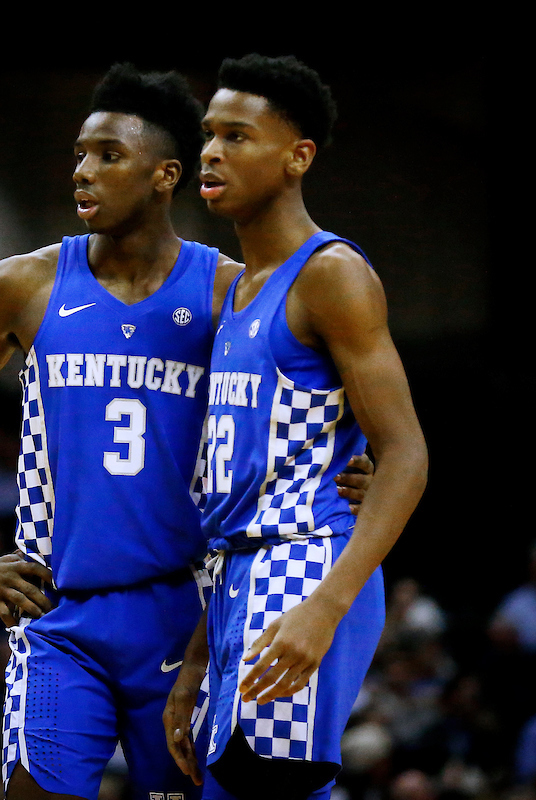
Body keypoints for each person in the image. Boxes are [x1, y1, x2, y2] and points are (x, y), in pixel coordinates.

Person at [0, 64, 372, 800]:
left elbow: (330, 391)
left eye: (107, 156)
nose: (83, 172)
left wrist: (364, 463)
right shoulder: (22, 286)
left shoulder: (230, 291)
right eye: (78, 154)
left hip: (187, 612)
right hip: (62, 612)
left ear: (165, 177)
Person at [162, 55, 428, 800]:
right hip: (233, 578)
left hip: (305, 567)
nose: (211, 152)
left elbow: (405, 453)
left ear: (297, 156)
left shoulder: (331, 273)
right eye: (208, 135)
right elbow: (232, 502)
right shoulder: (237, 291)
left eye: (237, 137)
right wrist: (192, 665)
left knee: (265, 789)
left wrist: (327, 605)